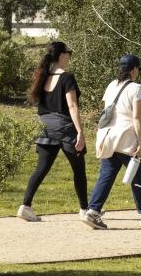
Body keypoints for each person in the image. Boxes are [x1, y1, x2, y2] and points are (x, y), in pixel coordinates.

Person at [17, 40, 99, 226]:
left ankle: (25, 206)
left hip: (45, 128)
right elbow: (72, 105)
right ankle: (84, 210)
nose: (69, 58)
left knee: (41, 168)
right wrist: (80, 132)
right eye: (68, 54)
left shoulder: (43, 76)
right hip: (64, 128)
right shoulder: (66, 77)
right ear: (62, 55)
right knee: (79, 169)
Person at [89, 54, 141, 228]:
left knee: (106, 175)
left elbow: (110, 112)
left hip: (108, 136)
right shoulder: (136, 88)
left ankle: (93, 211)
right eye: (138, 69)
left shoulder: (112, 85)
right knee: (138, 178)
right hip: (127, 137)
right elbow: (136, 118)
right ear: (134, 69)